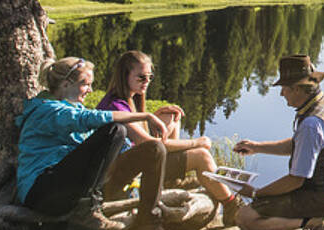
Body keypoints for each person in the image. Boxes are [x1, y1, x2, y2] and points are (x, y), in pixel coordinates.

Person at [17, 55, 181, 230]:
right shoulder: (47, 110)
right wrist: (146, 116)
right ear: (66, 84)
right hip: (42, 192)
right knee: (115, 130)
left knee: (154, 149)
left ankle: (149, 224)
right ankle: (86, 213)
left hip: (69, 187)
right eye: (85, 84)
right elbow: (92, 118)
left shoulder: (71, 107)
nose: (90, 90)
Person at [95, 50, 241, 219]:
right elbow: (151, 147)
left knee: (170, 116)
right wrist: (198, 142)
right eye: (141, 77)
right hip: (120, 176)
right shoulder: (116, 107)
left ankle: (169, 181)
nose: (147, 82)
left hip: (132, 161)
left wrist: (157, 116)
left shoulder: (128, 98)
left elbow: (139, 136)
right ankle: (231, 205)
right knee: (202, 156)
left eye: (150, 77)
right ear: (124, 75)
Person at [232, 53, 324, 230]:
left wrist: (256, 193)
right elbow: (302, 146)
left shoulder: (310, 124)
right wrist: (257, 147)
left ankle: (318, 222)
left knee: (245, 219)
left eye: (284, 88)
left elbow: (296, 180)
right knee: (257, 210)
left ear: (297, 89)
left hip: (321, 196)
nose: (282, 94)